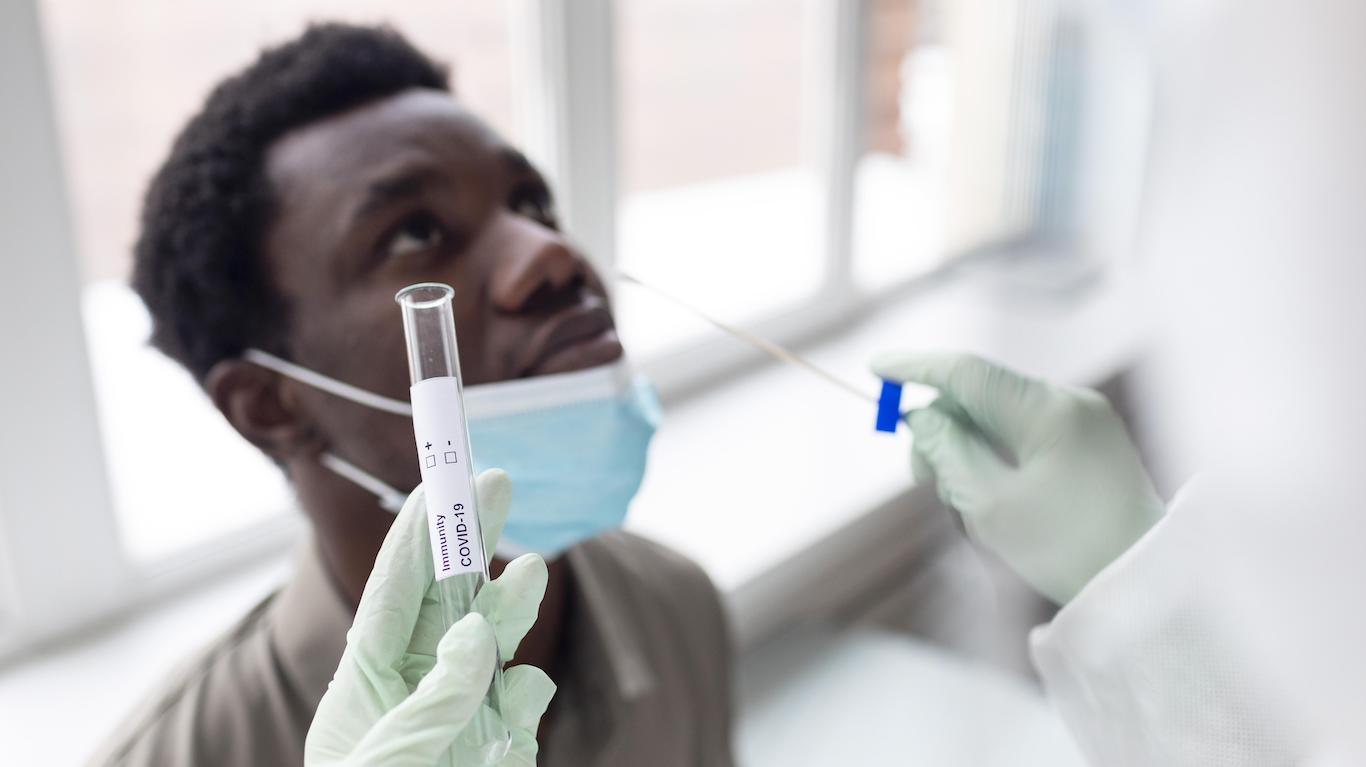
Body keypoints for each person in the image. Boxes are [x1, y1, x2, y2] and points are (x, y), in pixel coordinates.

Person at [91, 23, 733, 767]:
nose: (551, 255)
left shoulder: (679, 610)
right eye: (413, 233)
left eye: (531, 201)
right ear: (270, 403)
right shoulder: (182, 755)